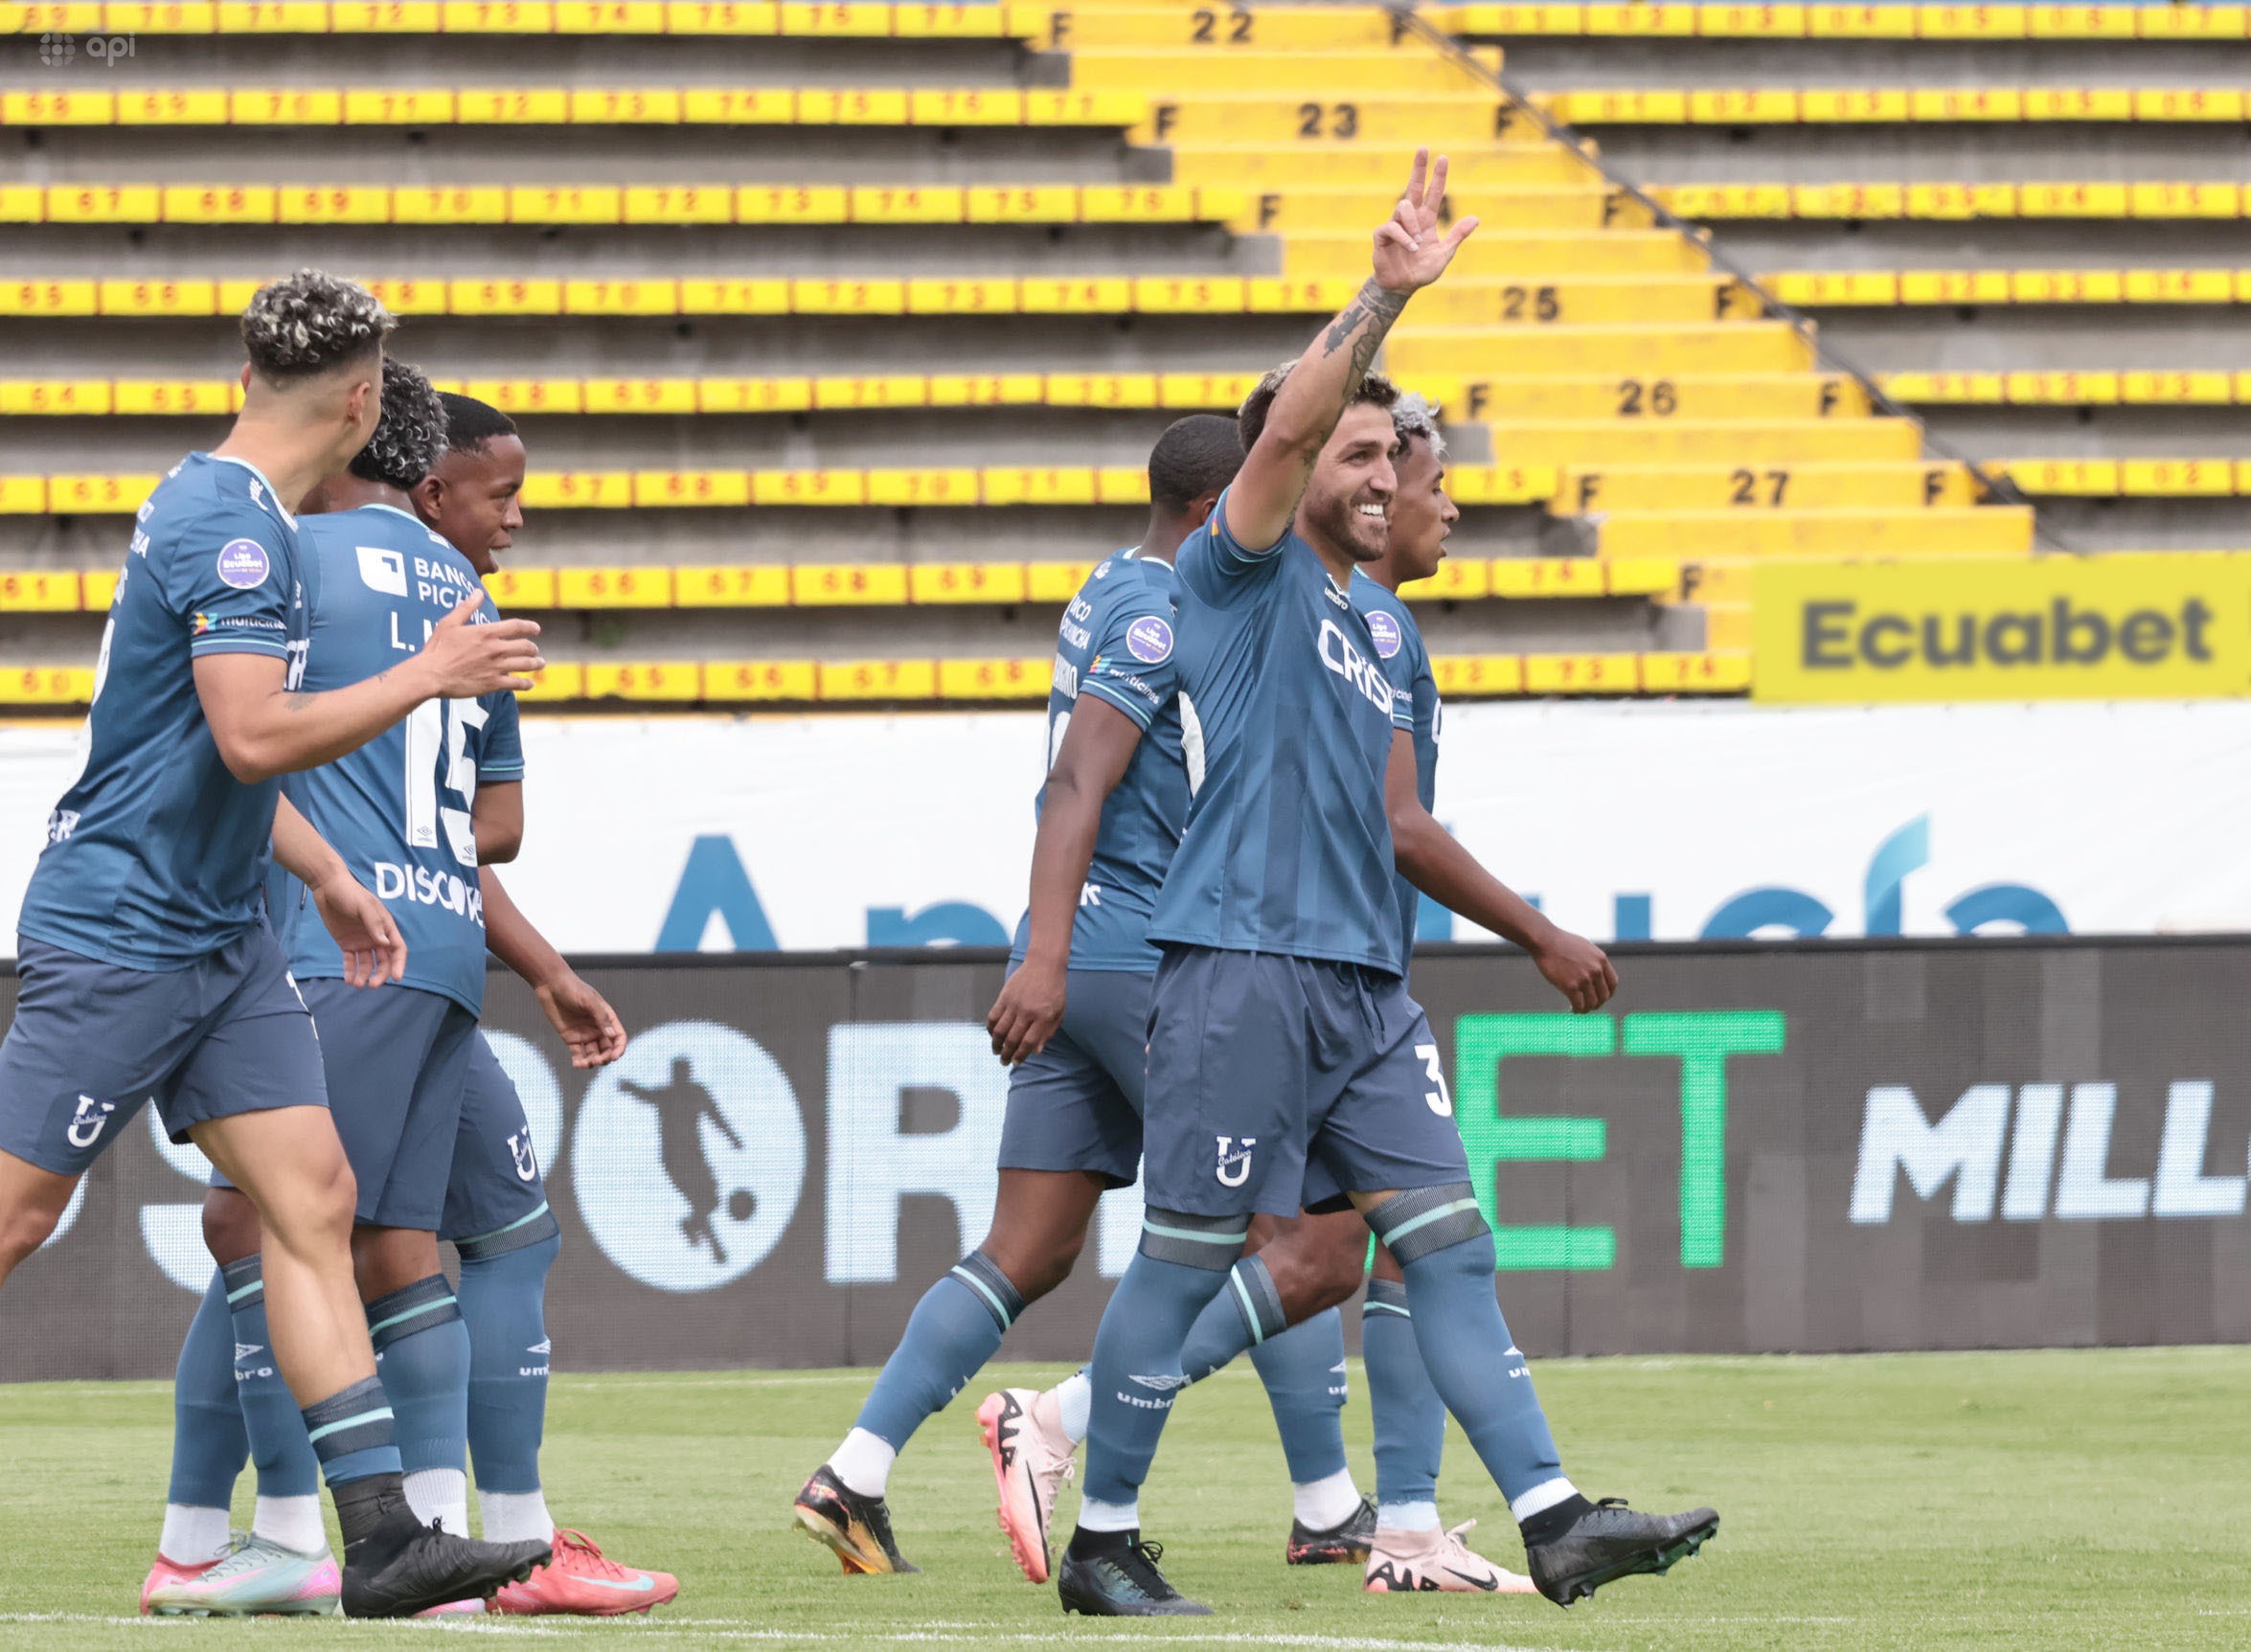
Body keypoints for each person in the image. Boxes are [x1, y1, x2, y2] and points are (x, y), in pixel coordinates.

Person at [1051, 152, 1718, 1618]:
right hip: (1235, 966)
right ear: (1291, 467)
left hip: (1363, 987)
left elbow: (1401, 820)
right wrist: (1383, 296)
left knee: (1446, 1245)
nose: (1379, 476)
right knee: (1182, 1260)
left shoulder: (1382, 635)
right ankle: (1100, 1534)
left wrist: (1523, 931)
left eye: (1387, 458)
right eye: (1353, 453)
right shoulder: (1239, 573)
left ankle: (1551, 1515)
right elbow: (1292, 420)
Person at [0, 271, 552, 1618]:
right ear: (362, 402)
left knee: (311, 1203)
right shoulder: (232, 525)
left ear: (251, 378)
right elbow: (251, 736)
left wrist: (326, 874)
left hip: (224, 933)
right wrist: (426, 672)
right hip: (124, 928)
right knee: (17, 1215)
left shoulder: (253, 516)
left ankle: (383, 1537)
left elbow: (217, 752)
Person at [793, 414, 1367, 1584]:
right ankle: (1311, 1499)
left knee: (1030, 1246)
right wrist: (1047, 959)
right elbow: (1077, 783)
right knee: (1297, 1232)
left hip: (1083, 954)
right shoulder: (1168, 608)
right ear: (1214, 509)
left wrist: (1051, 954)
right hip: (1146, 952)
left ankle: (855, 1471)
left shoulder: (1107, 587)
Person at [144, 385, 672, 1618]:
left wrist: (342, 833)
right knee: (402, 1243)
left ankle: (293, 1536)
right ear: (426, 479)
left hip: (334, 943)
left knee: (272, 1226)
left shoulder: (286, 556)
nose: (517, 518)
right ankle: (470, 1546)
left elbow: (233, 740)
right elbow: (501, 825)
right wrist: (534, 959)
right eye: (505, 493)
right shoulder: (462, 599)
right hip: (440, 946)